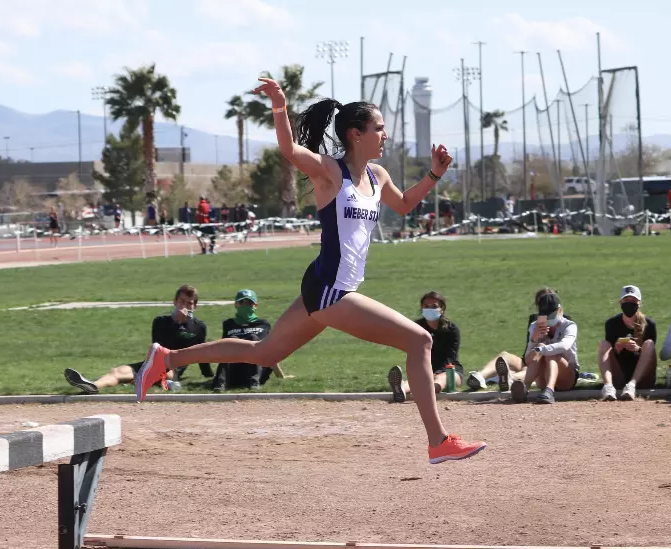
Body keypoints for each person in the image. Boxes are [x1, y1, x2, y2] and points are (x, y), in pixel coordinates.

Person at [129, 77, 485, 464]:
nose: (385, 135)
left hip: (327, 286)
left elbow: (402, 204)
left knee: (265, 353)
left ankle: (166, 359)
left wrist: (434, 175)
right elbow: (289, 149)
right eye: (379, 128)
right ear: (356, 133)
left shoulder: (376, 176)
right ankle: (438, 441)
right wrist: (279, 104)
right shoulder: (331, 171)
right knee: (420, 341)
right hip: (332, 289)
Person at [63, 284, 212, 394]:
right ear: (175, 302)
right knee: (118, 371)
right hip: (153, 361)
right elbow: (159, 348)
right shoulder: (160, 321)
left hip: (172, 369)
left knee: (158, 372)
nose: (184, 306)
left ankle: (146, 380)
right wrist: (176, 323)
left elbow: (202, 353)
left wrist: (208, 375)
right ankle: (93, 386)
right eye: (181, 301)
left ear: (195, 306)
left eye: (189, 303)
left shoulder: (199, 327)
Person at [468, 289, 578, 405]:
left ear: (560, 311)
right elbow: (527, 360)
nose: (548, 319)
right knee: (539, 351)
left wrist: (542, 349)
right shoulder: (535, 326)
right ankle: (524, 388)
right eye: (545, 316)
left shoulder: (569, 326)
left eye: (551, 315)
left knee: (550, 354)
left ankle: (549, 391)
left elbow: (565, 345)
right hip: (542, 378)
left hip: (566, 378)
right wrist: (534, 340)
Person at [388, 291, 464, 402]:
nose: (430, 309)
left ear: (442, 309)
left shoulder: (451, 329)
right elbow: (414, 353)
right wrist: (426, 371)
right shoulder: (416, 327)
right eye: (426, 306)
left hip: (450, 370)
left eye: (434, 306)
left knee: (440, 378)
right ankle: (401, 389)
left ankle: (426, 389)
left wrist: (437, 372)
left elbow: (450, 357)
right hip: (425, 368)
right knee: (418, 379)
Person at [212, 289, 284, 391]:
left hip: (256, 370)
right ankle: (220, 383)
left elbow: (269, 352)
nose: (245, 305)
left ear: (255, 305)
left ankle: (254, 382)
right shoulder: (229, 324)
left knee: (253, 338)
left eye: (249, 303)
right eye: (242, 302)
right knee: (232, 340)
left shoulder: (263, 324)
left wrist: (280, 375)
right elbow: (223, 351)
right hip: (234, 370)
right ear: (236, 305)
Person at [598, 285, 658, 401]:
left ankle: (632, 385)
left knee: (649, 343)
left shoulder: (649, 324)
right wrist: (617, 349)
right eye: (626, 300)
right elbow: (610, 354)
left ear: (639, 303)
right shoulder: (611, 323)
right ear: (620, 302)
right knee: (603, 344)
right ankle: (608, 386)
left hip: (644, 378)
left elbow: (650, 354)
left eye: (633, 300)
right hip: (620, 375)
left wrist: (638, 349)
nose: (629, 304)